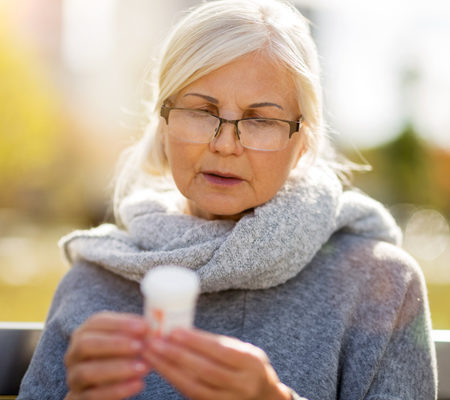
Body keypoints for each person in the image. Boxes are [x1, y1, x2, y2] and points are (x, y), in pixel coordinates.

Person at [18, 0, 437, 399]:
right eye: (201, 111)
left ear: (303, 143)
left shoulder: (380, 284)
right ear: (163, 124)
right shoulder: (92, 282)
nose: (225, 145)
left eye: (260, 120)